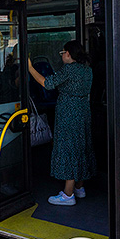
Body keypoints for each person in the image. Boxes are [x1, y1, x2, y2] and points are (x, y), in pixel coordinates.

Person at [28, 41, 96, 206]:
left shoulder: (69, 70)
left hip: (68, 114)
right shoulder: (87, 70)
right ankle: (79, 187)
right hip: (83, 111)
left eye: (63, 52)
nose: (62, 55)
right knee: (81, 146)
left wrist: (29, 68)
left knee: (68, 148)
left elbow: (47, 83)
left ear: (69, 54)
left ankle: (68, 193)